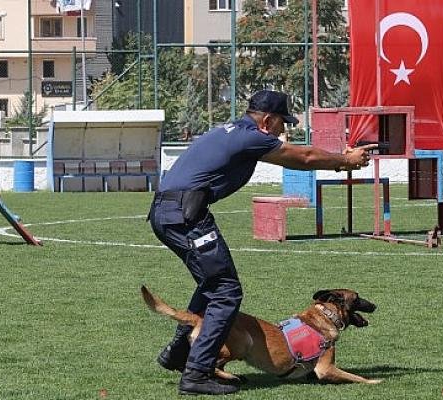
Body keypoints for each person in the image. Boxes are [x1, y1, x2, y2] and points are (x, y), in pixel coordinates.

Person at [147, 89, 374, 396]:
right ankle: (197, 373)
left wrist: (338, 157)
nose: (284, 130)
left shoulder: (235, 131)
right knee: (226, 291)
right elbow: (303, 156)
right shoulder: (252, 137)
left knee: (213, 283)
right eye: (283, 123)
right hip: (184, 215)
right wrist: (345, 160)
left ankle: (178, 353)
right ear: (267, 120)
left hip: (172, 211)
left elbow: (297, 152)